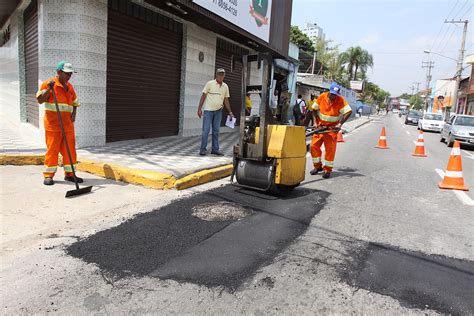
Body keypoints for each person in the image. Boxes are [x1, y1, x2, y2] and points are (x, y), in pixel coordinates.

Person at [36, 61, 81, 186]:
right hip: (53, 125)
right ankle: (48, 175)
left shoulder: (70, 87)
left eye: (70, 74)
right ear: (59, 72)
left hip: (67, 125)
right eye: (67, 73)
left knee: (70, 150)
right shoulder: (49, 83)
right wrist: (49, 89)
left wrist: (74, 115)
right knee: (53, 150)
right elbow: (40, 100)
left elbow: (75, 103)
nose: (69, 76)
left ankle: (70, 174)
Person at [310, 83, 352, 179]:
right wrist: (315, 122)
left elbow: (349, 111)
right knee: (313, 146)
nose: (333, 96)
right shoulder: (321, 97)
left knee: (330, 150)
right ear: (329, 91)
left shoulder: (340, 100)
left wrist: (340, 123)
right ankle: (317, 167)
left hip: (331, 129)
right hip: (320, 127)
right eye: (332, 94)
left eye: (335, 94)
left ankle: (327, 170)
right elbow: (313, 109)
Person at [197, 68, 234, 156]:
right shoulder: (210, 84)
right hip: (208, 111)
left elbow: (226, 100)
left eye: (222, 75)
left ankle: (215, 149)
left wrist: (230, 112)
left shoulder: (225, 86)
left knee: (216, 131)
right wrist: (199, 109)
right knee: (206, 130)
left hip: (218, 112)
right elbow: (203, 96)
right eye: (219, 74)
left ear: (224, 76)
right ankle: (202, 149)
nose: (221, 76)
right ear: (216, 75)